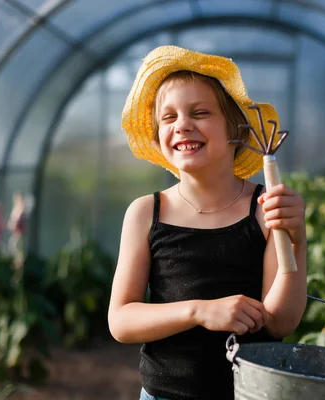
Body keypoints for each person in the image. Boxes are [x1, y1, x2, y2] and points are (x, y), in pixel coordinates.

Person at [108, 45, 308, 400]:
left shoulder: (264, 209)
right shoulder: (145, 212)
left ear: (236, 129)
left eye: (200, 112)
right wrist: (201, 311)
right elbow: (121, 321)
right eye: (168, 118)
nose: (183, 125)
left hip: (250, 394)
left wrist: (296, 241)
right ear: (158, 138)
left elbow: (281, 321)